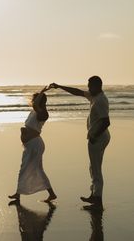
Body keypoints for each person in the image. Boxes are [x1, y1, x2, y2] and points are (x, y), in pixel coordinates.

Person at [49, 76, 110, 209]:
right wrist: (59, 86)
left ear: (97, 86)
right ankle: (94, 196)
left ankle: (97, 201)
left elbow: (106, 122)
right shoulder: (94, 96)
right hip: (98, 137)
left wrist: (94, 136)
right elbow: (77, 91)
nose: (88, 88)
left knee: (96, 169)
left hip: (98, 138)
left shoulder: (100, 100)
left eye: (90, 86)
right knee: (93, 167)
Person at [9, 86, 57, 203]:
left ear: (39, 101)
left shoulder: (43, 113)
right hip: (31, 144)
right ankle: (51, 194)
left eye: (35, 99)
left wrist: (42, 91)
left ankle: (18, 194)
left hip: (35, 144)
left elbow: (36, 105)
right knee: (37, 169)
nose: (32, 101)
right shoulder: (34, 111)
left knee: (25, 168)